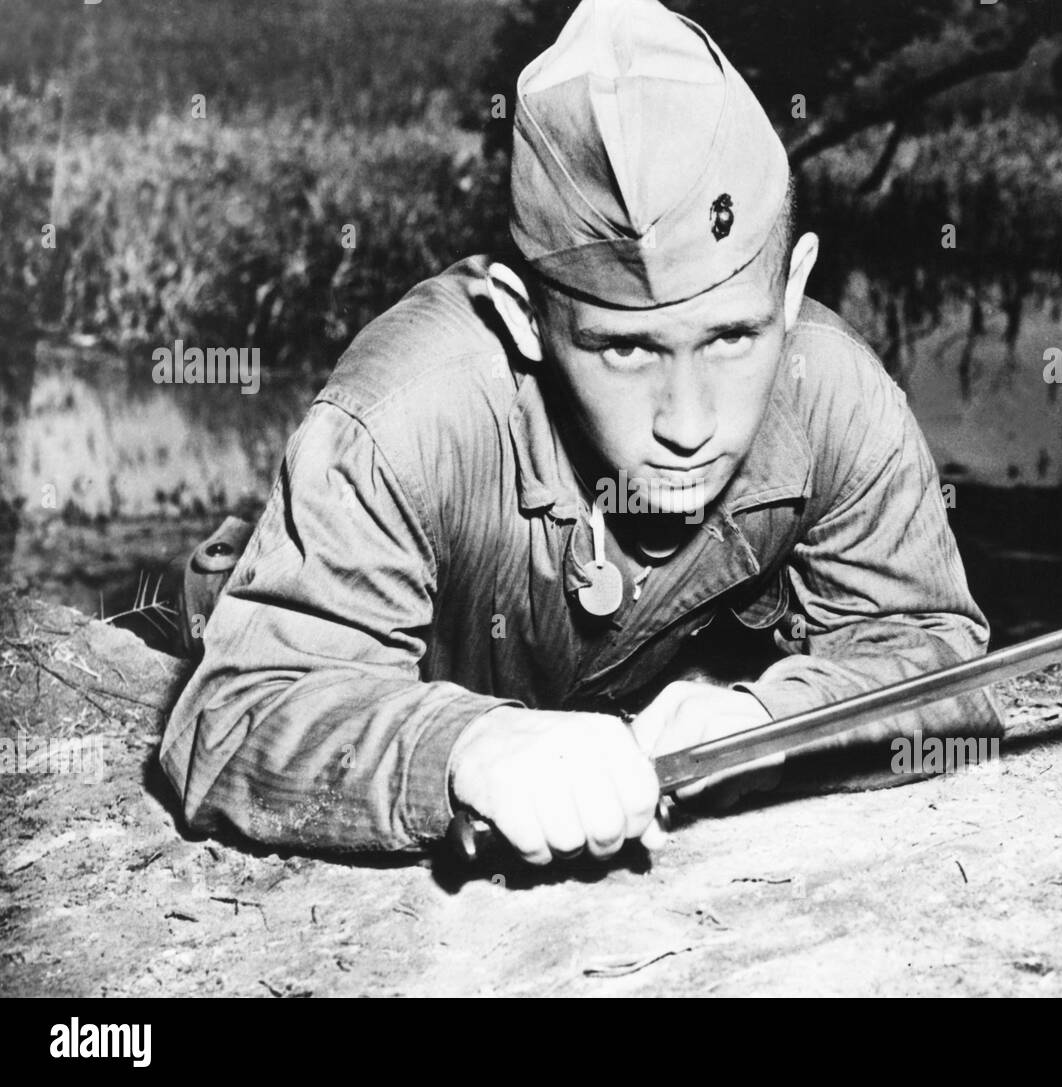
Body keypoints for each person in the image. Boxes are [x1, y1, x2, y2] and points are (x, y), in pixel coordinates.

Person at [160, 0, 1002, 866]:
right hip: (338, 627)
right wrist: (466, 750)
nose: (690, 423)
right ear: (525, 319)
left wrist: (776, 718)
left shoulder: (833, 391)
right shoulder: (407, 413)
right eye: (627, 348)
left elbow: (943, 664)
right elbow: (230, 719)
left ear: (792, 290)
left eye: (733, 338)